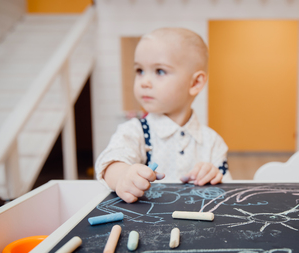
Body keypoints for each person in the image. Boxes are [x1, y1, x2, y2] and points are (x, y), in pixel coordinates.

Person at [95, 27, 231, 203]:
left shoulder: (213, 143)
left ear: (195, 83)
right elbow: (110, 163)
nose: (144, 82)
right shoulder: (135, 131)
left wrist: (213, 176)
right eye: (139, 70)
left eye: (159, 71)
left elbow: (228, 192)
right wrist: (122, 175)